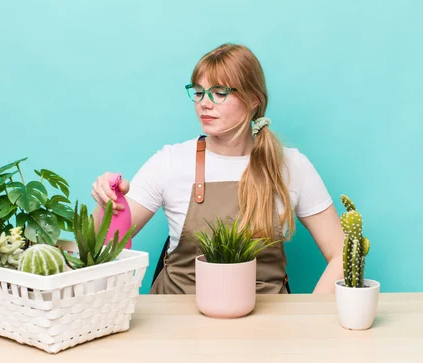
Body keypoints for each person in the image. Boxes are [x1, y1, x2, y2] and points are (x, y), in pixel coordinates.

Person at [91, 43, 345, 294]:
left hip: (267, 328)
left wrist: (306, 317)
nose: (204, 103)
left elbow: (342, 253)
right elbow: (103, 243)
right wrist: (108, 202)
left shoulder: (291, 166)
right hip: (177, 323)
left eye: (219, 92)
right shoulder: (170, 162)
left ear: (254, 99)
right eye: (199, 92)